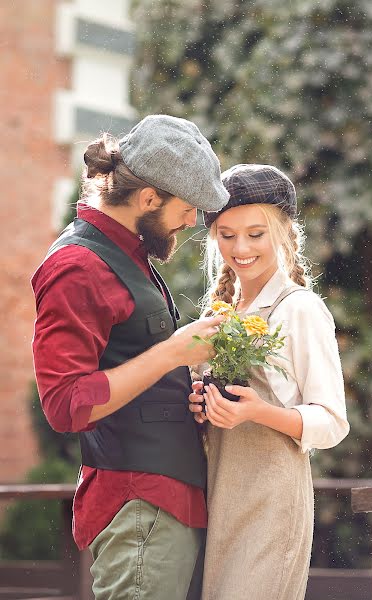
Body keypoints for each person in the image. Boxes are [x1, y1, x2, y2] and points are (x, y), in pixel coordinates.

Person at [31, 114, 230, 600]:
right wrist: (171, 354)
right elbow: (64, 404)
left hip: (165, 506)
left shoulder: (125, 254)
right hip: (140, 509)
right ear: (148, 198)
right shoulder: (77, 266)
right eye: (187, 208)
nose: (191, 222)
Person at [189, 164, 350, 600]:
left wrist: (258, 412)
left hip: (271, 500)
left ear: (283, 233)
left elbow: (332, 421)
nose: (240, 247)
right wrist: (202, 406)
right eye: (226, 234)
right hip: (217, 497)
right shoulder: (219, 315)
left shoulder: (299, 309)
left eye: (256, 234)